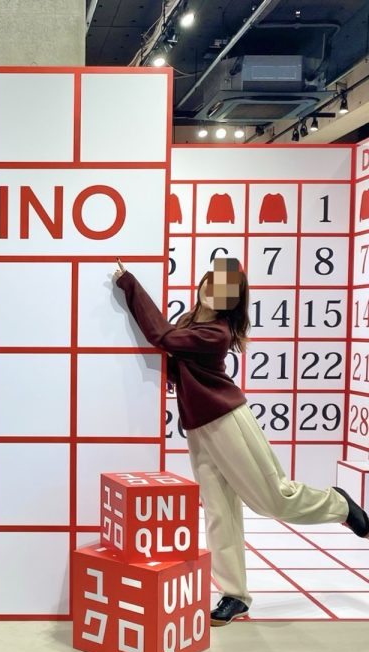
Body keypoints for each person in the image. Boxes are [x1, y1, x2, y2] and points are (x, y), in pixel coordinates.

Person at [113, 257, 369, 626]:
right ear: (203, 283)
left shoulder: (215, 333)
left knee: (273, 499)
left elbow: (161, 337)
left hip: (228, 420)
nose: (215, 292)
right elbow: (171, 355)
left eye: (226, 291)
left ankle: (338, 503)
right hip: (199, 428)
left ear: (231, 302)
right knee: (219, 513)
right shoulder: (187, 322)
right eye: (213, 283)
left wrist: (129, 283)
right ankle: (234, 595)